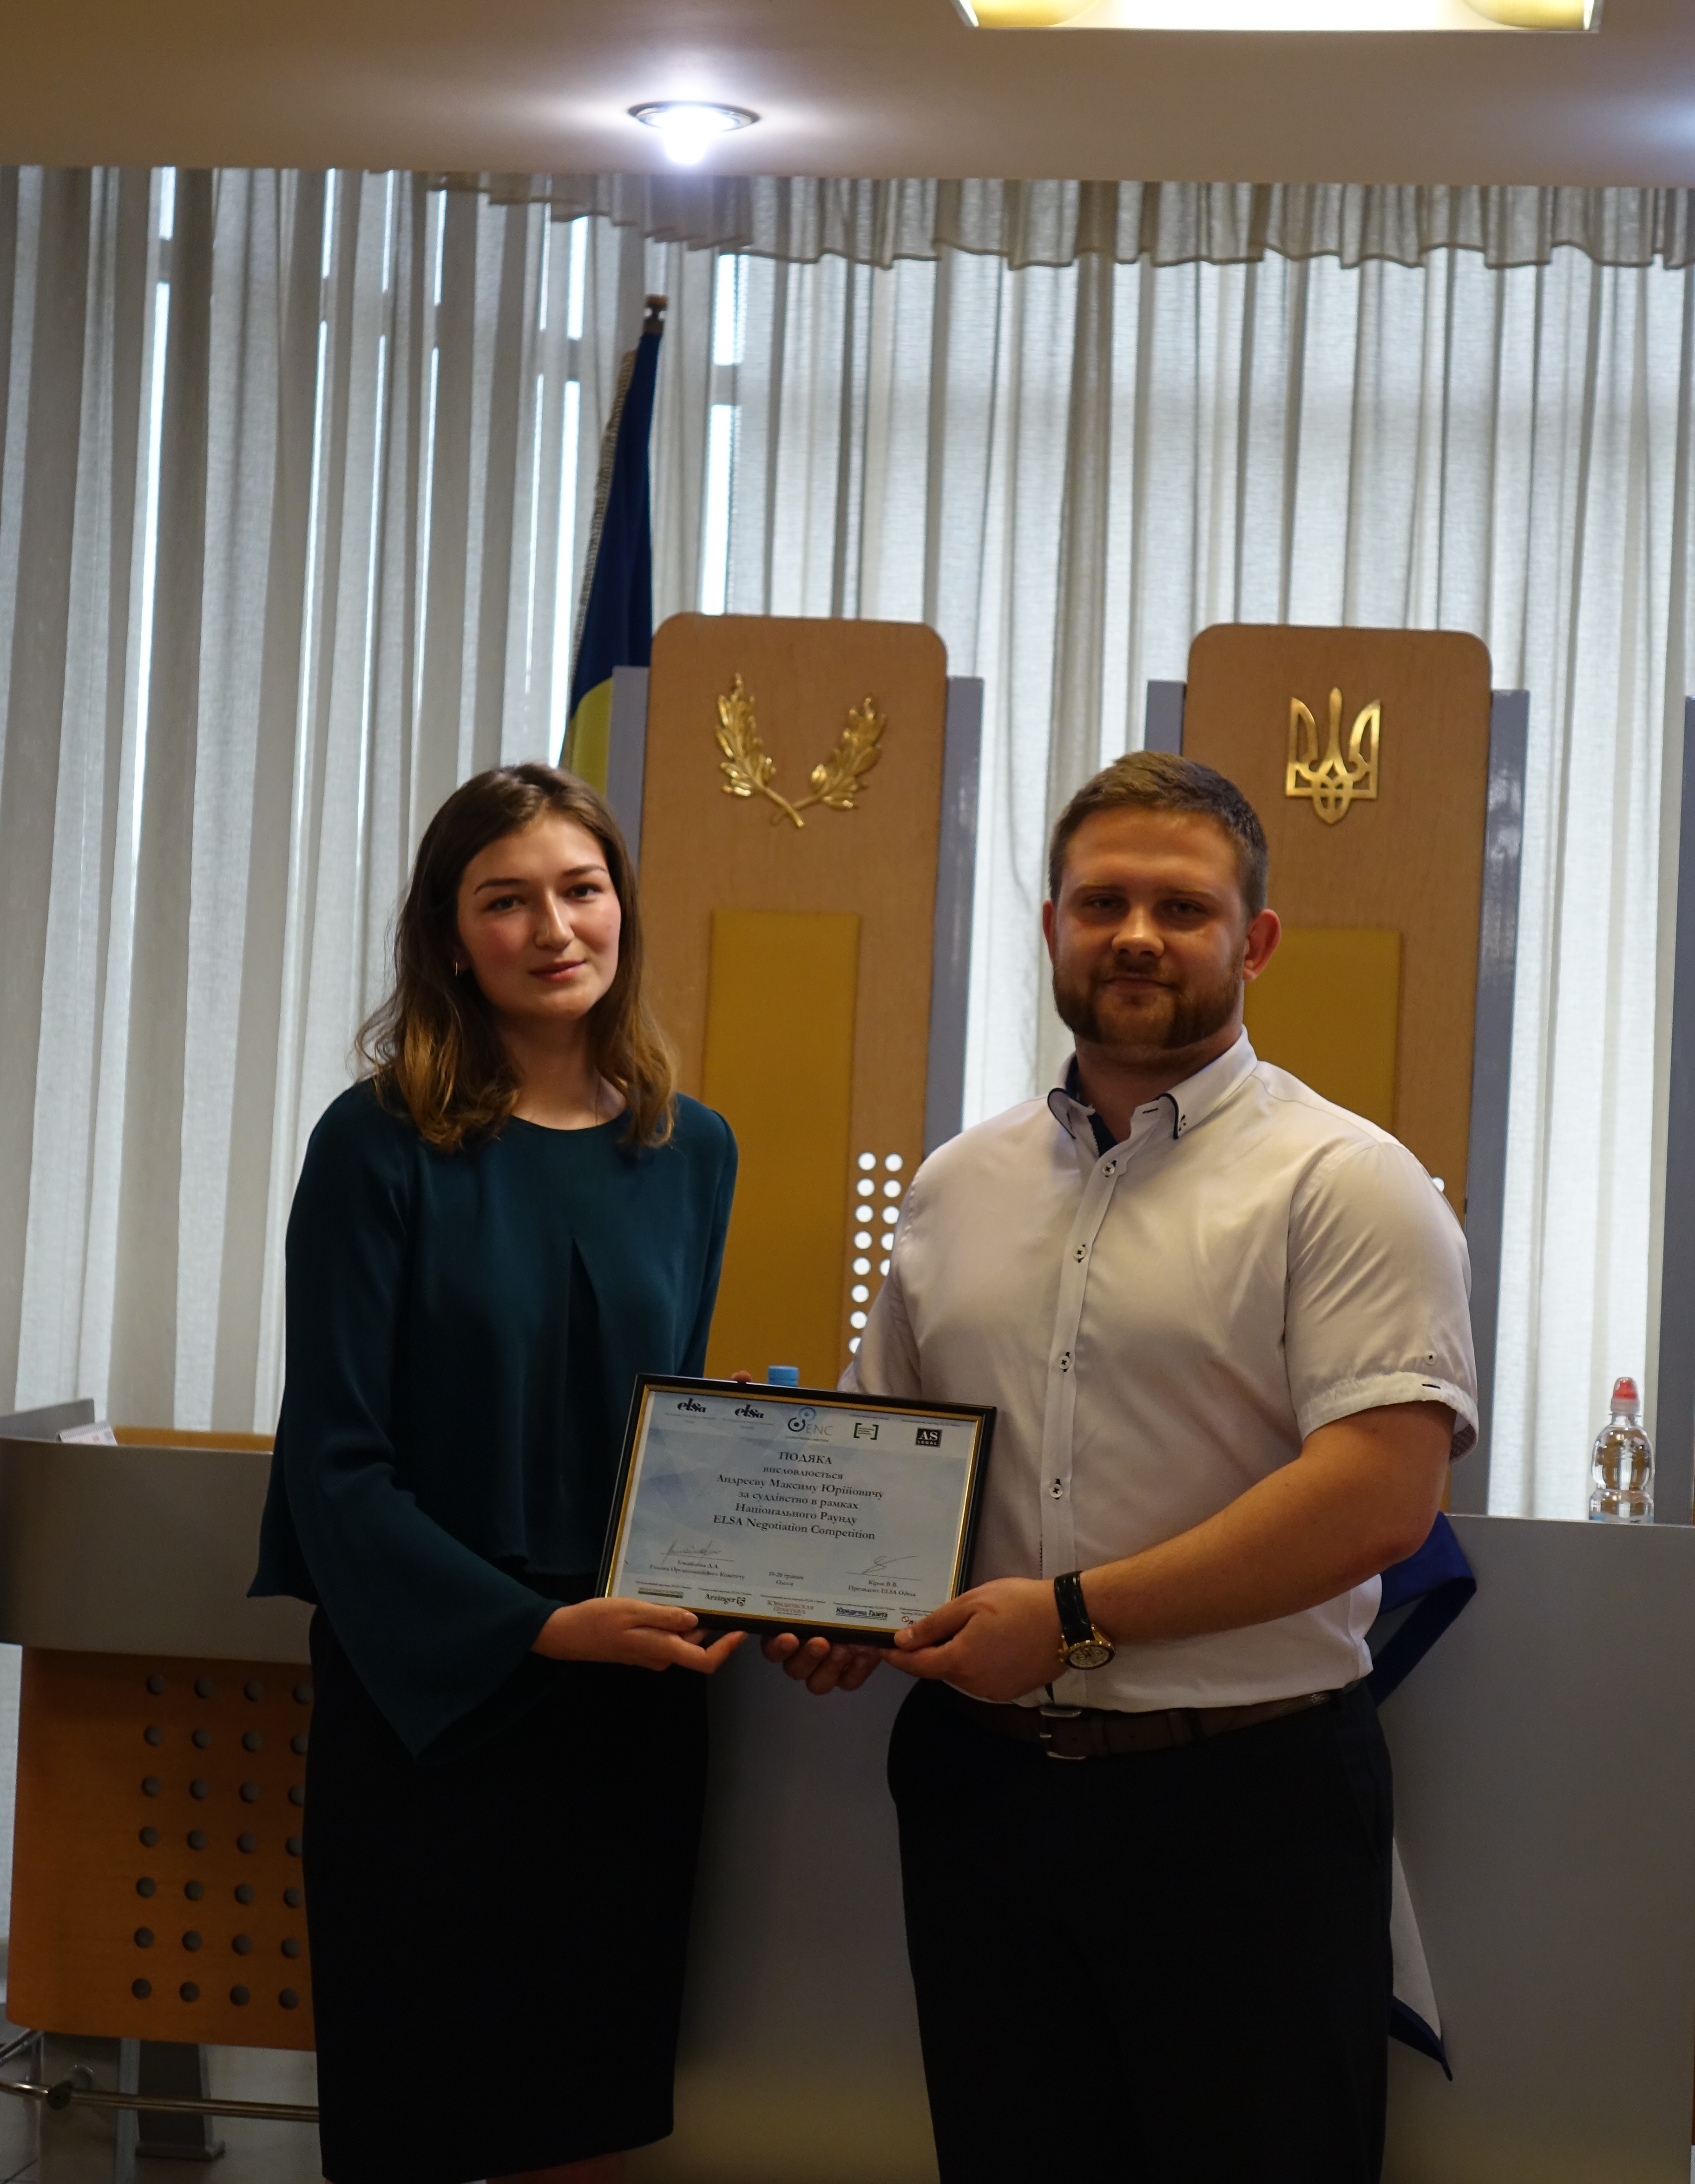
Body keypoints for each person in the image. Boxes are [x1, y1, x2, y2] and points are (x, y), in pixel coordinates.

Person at [766, 750, 1476, 2184]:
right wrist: (833, 1600)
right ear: (1052, 928)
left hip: (1246, 1805)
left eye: (1182, 907)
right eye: (1102, 903)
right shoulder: (957, 1184)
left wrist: (1073, 1618)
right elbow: (891, 1453)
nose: (1137, 935)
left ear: (1254, 942)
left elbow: (1381, 1495)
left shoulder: (1348, 1181)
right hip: (981, 1794)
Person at [251, 763, 742, 2184]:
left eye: (581, 890)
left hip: (629, 1694)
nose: (554, 928)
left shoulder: (691, 1148)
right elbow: (336, 1464)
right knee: (422, 2111)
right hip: (436, 1692)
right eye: (507, 900)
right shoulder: (375, 1144)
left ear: (622, 908)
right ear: (452, 936)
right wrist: (533, 1628)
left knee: (589, 2115)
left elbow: (674, 1436)